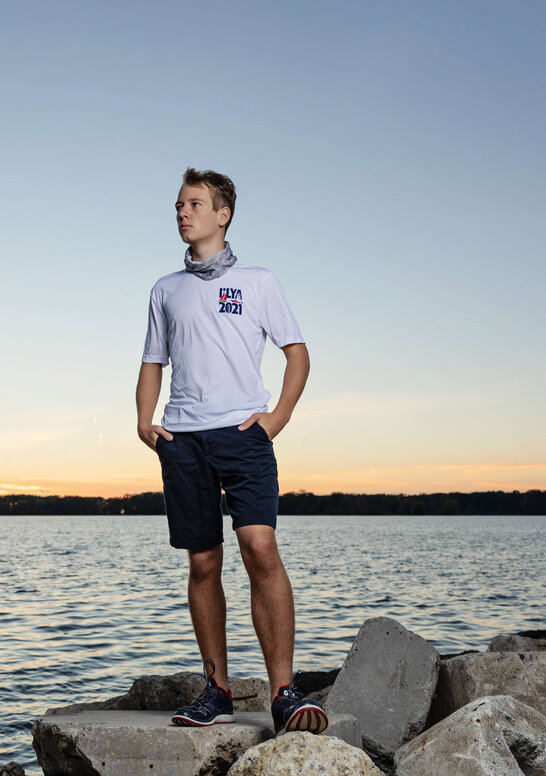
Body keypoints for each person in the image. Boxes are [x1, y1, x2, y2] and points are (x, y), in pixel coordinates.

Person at [136, 167, 327, 734]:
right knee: (203, 562)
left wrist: (277, 419)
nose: (182, 212)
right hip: (183, 438)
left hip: (244, 436)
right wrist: (144, 424)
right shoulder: (164, 289)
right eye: (178, 205)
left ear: (223, 214)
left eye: (194, 204)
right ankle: (215, 688)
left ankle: (283, 692)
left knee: (260, 549)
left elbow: (298, 353)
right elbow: (152, 362)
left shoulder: (258, 280)